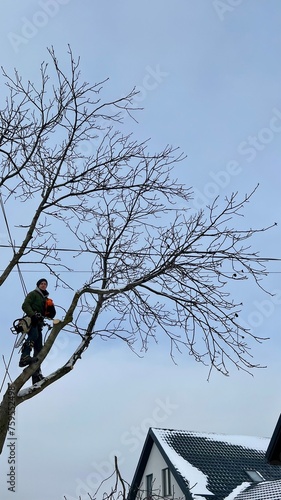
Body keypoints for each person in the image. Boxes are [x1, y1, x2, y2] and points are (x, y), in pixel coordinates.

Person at [19, 278, 56, 384]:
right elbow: (25, 305)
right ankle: (24, 357)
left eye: (45, 284)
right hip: (32, 321)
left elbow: (49, 315)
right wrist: (32, 315)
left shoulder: (45, 299)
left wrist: (51, 309)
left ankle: (36, 374)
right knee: (33, 335)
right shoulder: (33, 294)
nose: (44, 285)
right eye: (42, 284)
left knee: (39, 349)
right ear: (38, 285)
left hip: (39, 324)